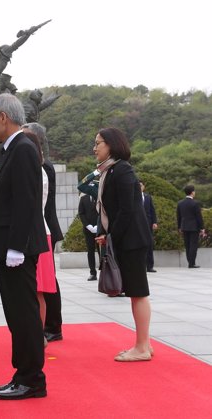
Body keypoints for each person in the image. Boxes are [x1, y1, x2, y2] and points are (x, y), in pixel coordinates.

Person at [0, 93, 48, 400]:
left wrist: (16, 247)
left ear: (3, 118)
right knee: (16, 314)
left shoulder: (22, 148)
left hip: (17, 250)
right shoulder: (13, 148)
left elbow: (26, 201)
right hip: (11, 248)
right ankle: (22, 373)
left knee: (24, 315)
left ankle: (32, 379)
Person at [93, 127, 153, 362]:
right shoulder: (111, 170)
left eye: (98, 143)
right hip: (128, 239)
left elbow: (127, 210)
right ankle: (145, 344)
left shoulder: (122, 170)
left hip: (132, 241)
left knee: (138, 293)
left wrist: (111, 238)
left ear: (112, 144)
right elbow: (115, 210)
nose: (95, 148)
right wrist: (106, 234)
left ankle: (141, 348)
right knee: (137, 293)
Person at [22, 122, 65, 343]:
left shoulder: (42, 167)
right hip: (42, 228)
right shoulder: (39, 165)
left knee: (46, 285)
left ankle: (52, 326)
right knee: (44, 284)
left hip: (43, 228)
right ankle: (46, 327)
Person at [177, 185, 206, 268]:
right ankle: (192, 263)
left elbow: (178, 216)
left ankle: (190, 262)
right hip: (194, 227)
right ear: (192, 192)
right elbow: (198, 217)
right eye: (194, 191)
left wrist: (179, 227)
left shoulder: (180, 203)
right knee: (193, 245)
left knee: (187, 245)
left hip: (184, 227)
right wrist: (202, 228)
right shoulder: (195, 203)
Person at [79, 191, 99, 281]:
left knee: (102, 252)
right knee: (90, 251)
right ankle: (92, 273)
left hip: (100, 229)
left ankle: (105, 272)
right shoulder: (83, 199)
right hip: (88, 229)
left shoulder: (100, 197)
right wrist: (88, 226)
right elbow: (81, 213)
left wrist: (99, 225)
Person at [140, 182, 158, 272]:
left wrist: (154, 222)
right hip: (138, 225)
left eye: (141, 185)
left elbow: (152, 210)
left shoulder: (148, 197)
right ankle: (140, 266)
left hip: (148, 224)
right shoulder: (133, 197)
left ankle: (150, 266)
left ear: (144, 187)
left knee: (149, 244)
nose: (140, 187)